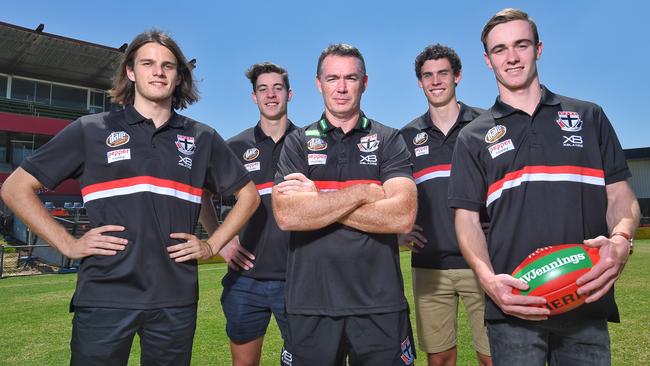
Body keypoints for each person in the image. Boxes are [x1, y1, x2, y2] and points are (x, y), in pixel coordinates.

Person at [0, 30, 260, 366]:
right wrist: (68, 245)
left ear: (179, 76)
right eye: (148, 63)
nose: (158, 72)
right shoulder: (91, 129)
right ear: (131, 72)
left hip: (174, 299)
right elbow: (15, 188)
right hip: (105, 295)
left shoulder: (202, 137)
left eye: (168, 66)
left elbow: (249, 196)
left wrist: (213, 244)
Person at [448, 8, 640, 366]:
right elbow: (467, 220)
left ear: (538, 48)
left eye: (521, 45)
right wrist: (489, 281)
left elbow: (620, 196)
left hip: (585, 297)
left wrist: (621, 240)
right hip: (514, 306)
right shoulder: (473, 137)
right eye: (500, 49)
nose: (512, 57)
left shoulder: (589, 116)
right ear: (487, 61)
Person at [272, 44, 418, 365]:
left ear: (364, 83)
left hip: (380, 305)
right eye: (332, 78)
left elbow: (402, 217)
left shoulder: (389, 140)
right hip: (310, 306)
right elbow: (287, 215)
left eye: (350, 78)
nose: (341, 87)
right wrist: (365, 191)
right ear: (318, 83)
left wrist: (318, 202)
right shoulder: (297, 142)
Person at [399, 44, 492, 366]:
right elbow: (395, 193)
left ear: (458, 77)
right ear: (420, 82)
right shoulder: (407, 136)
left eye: (443, 73)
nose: (435, 81)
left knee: (493, 356)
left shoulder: (487, 125)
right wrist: (399, 232)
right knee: (439, 359)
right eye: (428, 75)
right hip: (430, 267)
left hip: (486, 263)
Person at [205, 62, 296, 366]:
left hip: (298, 278)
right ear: (254, 97)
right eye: (263, 89)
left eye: (277, 88)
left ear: (290, 94)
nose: (271, 95)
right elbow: (201, 193)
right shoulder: (234, 146)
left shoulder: (309, 144)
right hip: (246, 280)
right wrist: (222, 241)